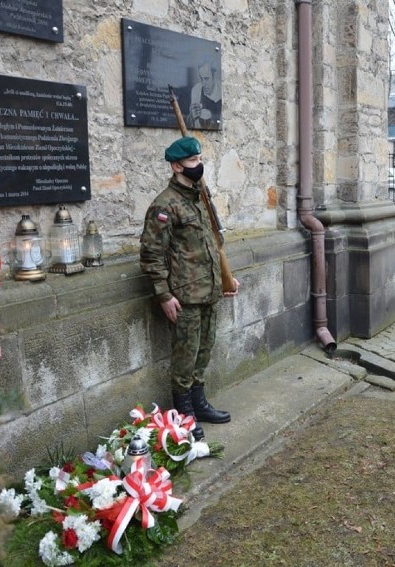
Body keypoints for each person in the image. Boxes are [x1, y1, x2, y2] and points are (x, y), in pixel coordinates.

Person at [140, 136, 240, 441]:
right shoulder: (164, 205)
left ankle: (199, 404)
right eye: (193, 161)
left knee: (203, 352)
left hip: (209, 290)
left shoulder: (200, 198)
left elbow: (211, 244)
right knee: (185, 356)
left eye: (199, 160)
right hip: (184, 296)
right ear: (176, 166)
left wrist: (226, 278)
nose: (199, 165)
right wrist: (164, 294)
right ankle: (184, 416)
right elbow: (151, 254)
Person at [189, 61, 222, 129]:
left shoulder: (222, 90)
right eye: (201, 78)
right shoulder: (196, 90)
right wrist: (192, 117)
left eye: (207, 78)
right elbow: (194, 125)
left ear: (214, 76)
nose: (203, 84)